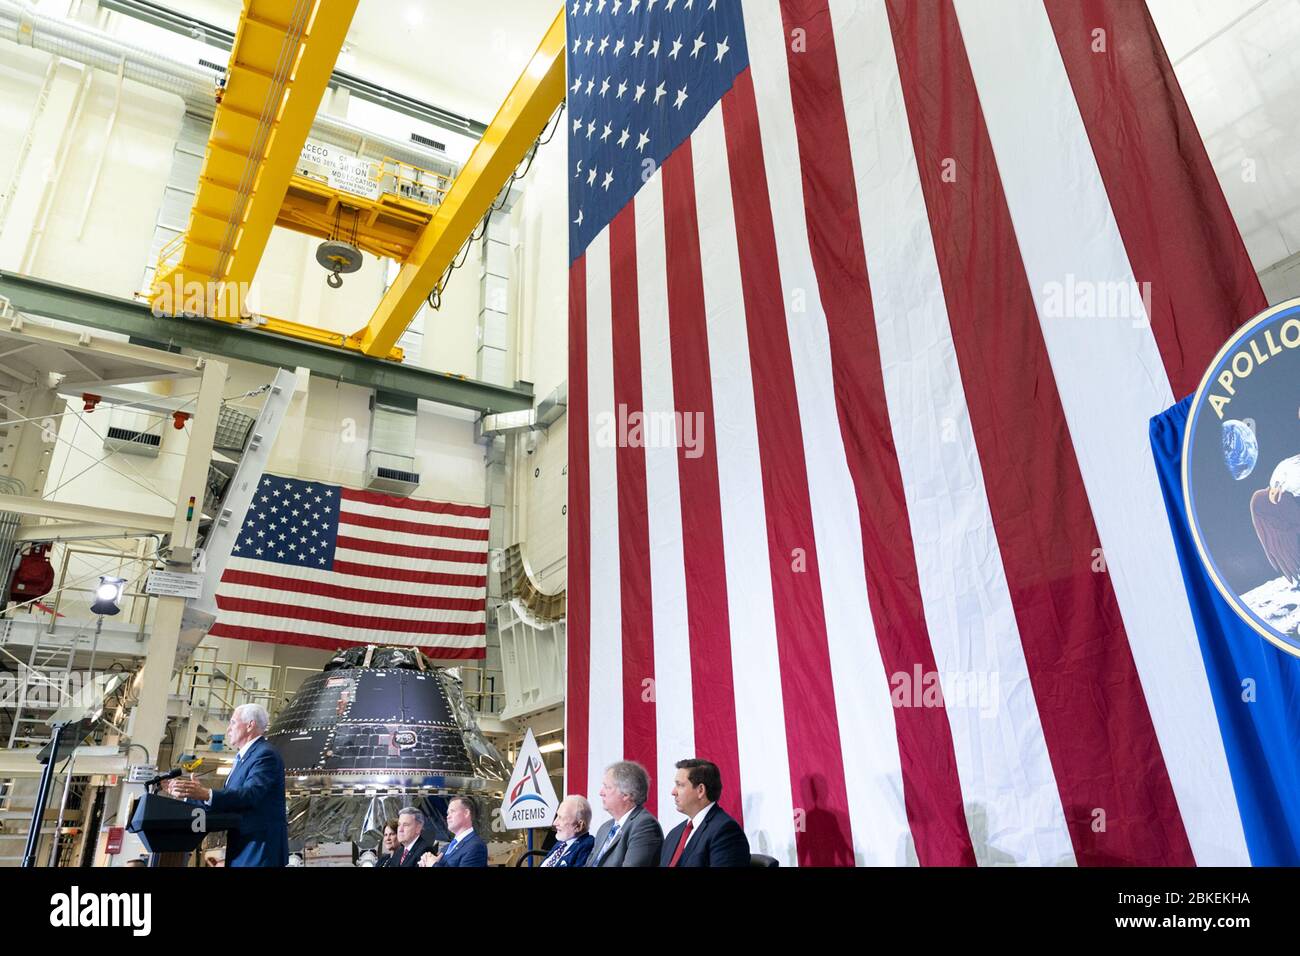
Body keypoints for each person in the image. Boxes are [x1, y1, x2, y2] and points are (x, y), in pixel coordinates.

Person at [167, 702, 288, 867]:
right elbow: (230, 801)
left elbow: (250, 795)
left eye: (233, 722)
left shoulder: (265, 754)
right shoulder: (242, 759)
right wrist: (192, 795)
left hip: (259, 849)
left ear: (250, 725)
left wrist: (206, 794)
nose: (228, 729)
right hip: (242, 847)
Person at [660, 758, 750, 867]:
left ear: (700, 790)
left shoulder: (725, 832)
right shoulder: (674, 834)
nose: (673, 792)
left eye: (680, 785)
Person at [586, 760, 662, 867]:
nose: (601, 793)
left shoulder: (644, 826)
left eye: (607, 787)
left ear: (626, 794)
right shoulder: (605, 828)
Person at [419, 795, 487, 867]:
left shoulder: (475, 846)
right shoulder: (447, 848)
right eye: (448, 813)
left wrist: (433, 864)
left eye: (452, 811)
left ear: (466, 813)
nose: (448, 816)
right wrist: (427, 860)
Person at [538, 795, 595, 867]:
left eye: (561, 818)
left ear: (579, 826)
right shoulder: (561, 843)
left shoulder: (586, 846)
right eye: (557, 816)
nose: (554, 823)